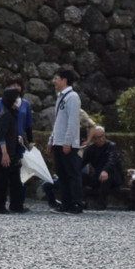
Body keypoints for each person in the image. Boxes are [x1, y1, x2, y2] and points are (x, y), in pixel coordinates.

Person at [46, 69, 84, 213]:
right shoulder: (61, 97)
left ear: (65, 80)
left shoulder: (72, 97)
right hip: (58, 141)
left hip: (67, 143)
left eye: (56, 78)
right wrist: (52, 140)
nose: (54, 81)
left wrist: (68, 141)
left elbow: (73, 121)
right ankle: (66, 203)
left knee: (72, 173)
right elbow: (58, 122)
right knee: (62, 174)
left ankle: (77, 203)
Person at [0, 84, 29, 214]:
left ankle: (16, 205)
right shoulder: (6, 114)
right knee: (2, 180)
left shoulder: (12, 113)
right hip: (4, 151)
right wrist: (4, 153)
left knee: (14, 180)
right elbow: (0, 135)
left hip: (11, 150)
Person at [80, 123, 126, 210]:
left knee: (106, 178)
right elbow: (82, 162)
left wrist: (105, 170)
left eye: (101, 136)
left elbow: (112, 160)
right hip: (97, 176)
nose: (100, 139)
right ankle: (80, 201)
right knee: (79, 177)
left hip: (112, 177)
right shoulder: (91, 148)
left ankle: (101, 203)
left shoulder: (111, 146)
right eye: (97, 138)